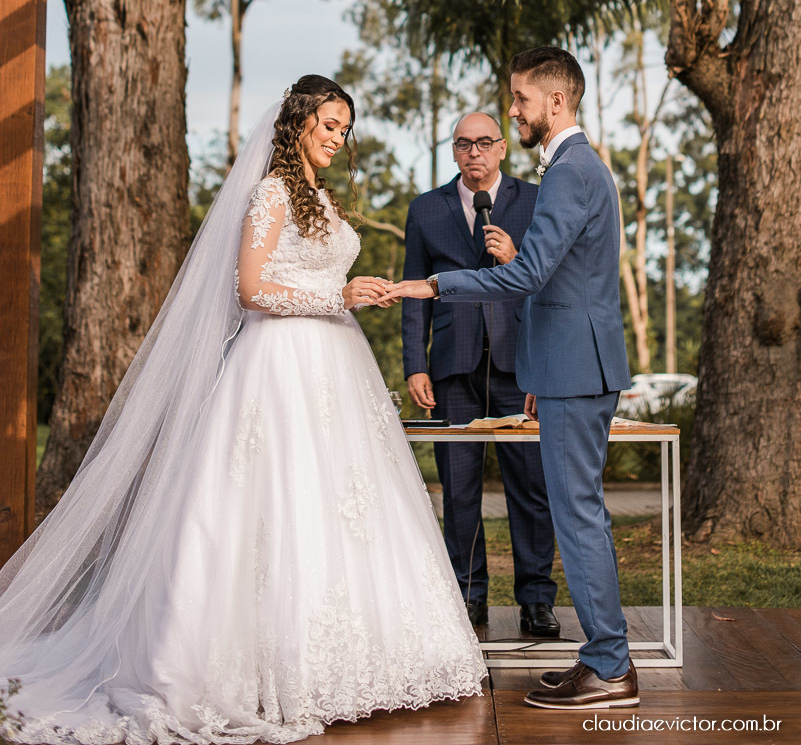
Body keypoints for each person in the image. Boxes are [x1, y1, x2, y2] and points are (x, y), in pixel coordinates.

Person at [0, 75, 486, 745]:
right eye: (328, 125)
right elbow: (252, 288)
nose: (336, 138)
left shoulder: (318, 196)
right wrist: (334, 296)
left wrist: (356, 293)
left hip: (335, 366)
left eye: (344, 128)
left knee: (343, 505)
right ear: (295, 125)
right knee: (274, 503)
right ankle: (261, 664)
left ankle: (360, 660)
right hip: (278, 367)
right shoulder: (270, 192)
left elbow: (312, 277)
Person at [388, 47, 639, 712]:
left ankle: (610, 666)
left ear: (555, 102)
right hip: (566, 365)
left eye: (520, 99)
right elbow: (558, 279)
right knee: (579, 510)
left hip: (574, 369)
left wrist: (436, 283)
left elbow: (527, 275)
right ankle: (601, 658)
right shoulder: (579, 169)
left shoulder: (569, 171)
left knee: (576, 514)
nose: (514, 110)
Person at [402, 111, 558, 637]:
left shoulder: (536, 202)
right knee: (460, 489)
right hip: (454, 367)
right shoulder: (426, 210)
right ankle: (468, 598)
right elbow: (414, 295)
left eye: (484, 142)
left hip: (523, 367)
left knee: (531, 488)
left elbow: (553, 284)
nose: (475, 152)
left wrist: (516, 257)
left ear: (501, 149)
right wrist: (415, 365)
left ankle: (537, 600)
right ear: (453, 151)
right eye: (464, 144)